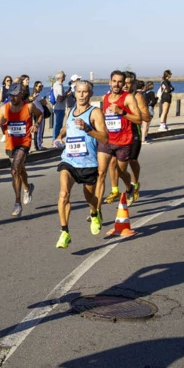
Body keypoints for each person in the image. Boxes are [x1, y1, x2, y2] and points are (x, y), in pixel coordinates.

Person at [52, 80, 109, 248]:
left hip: (88, 162)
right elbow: (67, 127)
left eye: (85, 92)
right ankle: (64, 232)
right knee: (63, 194)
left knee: (89, 198)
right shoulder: (71, 110)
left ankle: (94, 212)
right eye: (79, 92)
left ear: (90, 94)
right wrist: (59, 136)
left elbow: (105, 138)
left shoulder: (95, 112)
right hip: (69, 160)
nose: (82, 95)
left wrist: (88, 129)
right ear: (74, 93)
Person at [0, 82, 42, 217]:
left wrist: (36, 124)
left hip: (24, 142)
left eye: (15, 95)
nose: (13, 98)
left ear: (21, 94)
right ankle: (27, 187)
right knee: (19, 168)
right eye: (11, 95)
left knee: (14, 169)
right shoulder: (4, 108)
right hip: (10, 144)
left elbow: (40, 114)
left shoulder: (29, 106)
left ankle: (17, 203)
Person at [97, 70, 143, 209]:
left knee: (121, 171)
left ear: (123, 84)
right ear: (110, 82)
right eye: (114, 81)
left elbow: (139, 119)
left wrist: (122, 112)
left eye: (120, 82)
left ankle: (129, 187)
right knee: (101, 172)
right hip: (107, 140)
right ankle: (96, 210)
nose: (116, 84)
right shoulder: (105, 98)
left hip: (123, 141)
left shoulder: (128, 98)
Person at [126, 73, 151, 200]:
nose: (124, 85)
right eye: (122, 82)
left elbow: (146, 117)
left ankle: (134, 184)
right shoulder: (115, 96)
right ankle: (117, 189)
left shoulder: (137, 96)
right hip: (119, 134)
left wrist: (133, 113)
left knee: (132, 160)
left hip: (134, 132)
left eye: (128, 83)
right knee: (114, 163)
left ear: (134, 84)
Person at [31, 80, 50, 150]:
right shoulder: (36, 95)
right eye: (39, 86)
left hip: (38, 114)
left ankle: (38, 145)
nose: (41, 88)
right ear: (35, 87)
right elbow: (44, 103)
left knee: (39, 130)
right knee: (39, 130)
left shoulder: (34, 95)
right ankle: (38, 146)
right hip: (39, 114)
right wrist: (44, 100)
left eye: (42, 86)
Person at [50, 72, 68, 142]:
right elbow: (60, 99)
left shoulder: (55, 84)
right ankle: (56, 140)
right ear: (62, 77)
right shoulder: (59, 86)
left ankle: (55, 139)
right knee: (58, 125)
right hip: (59, 107)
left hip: (57, 107)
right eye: (64, 76)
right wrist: (67, 95)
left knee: (57, 124)